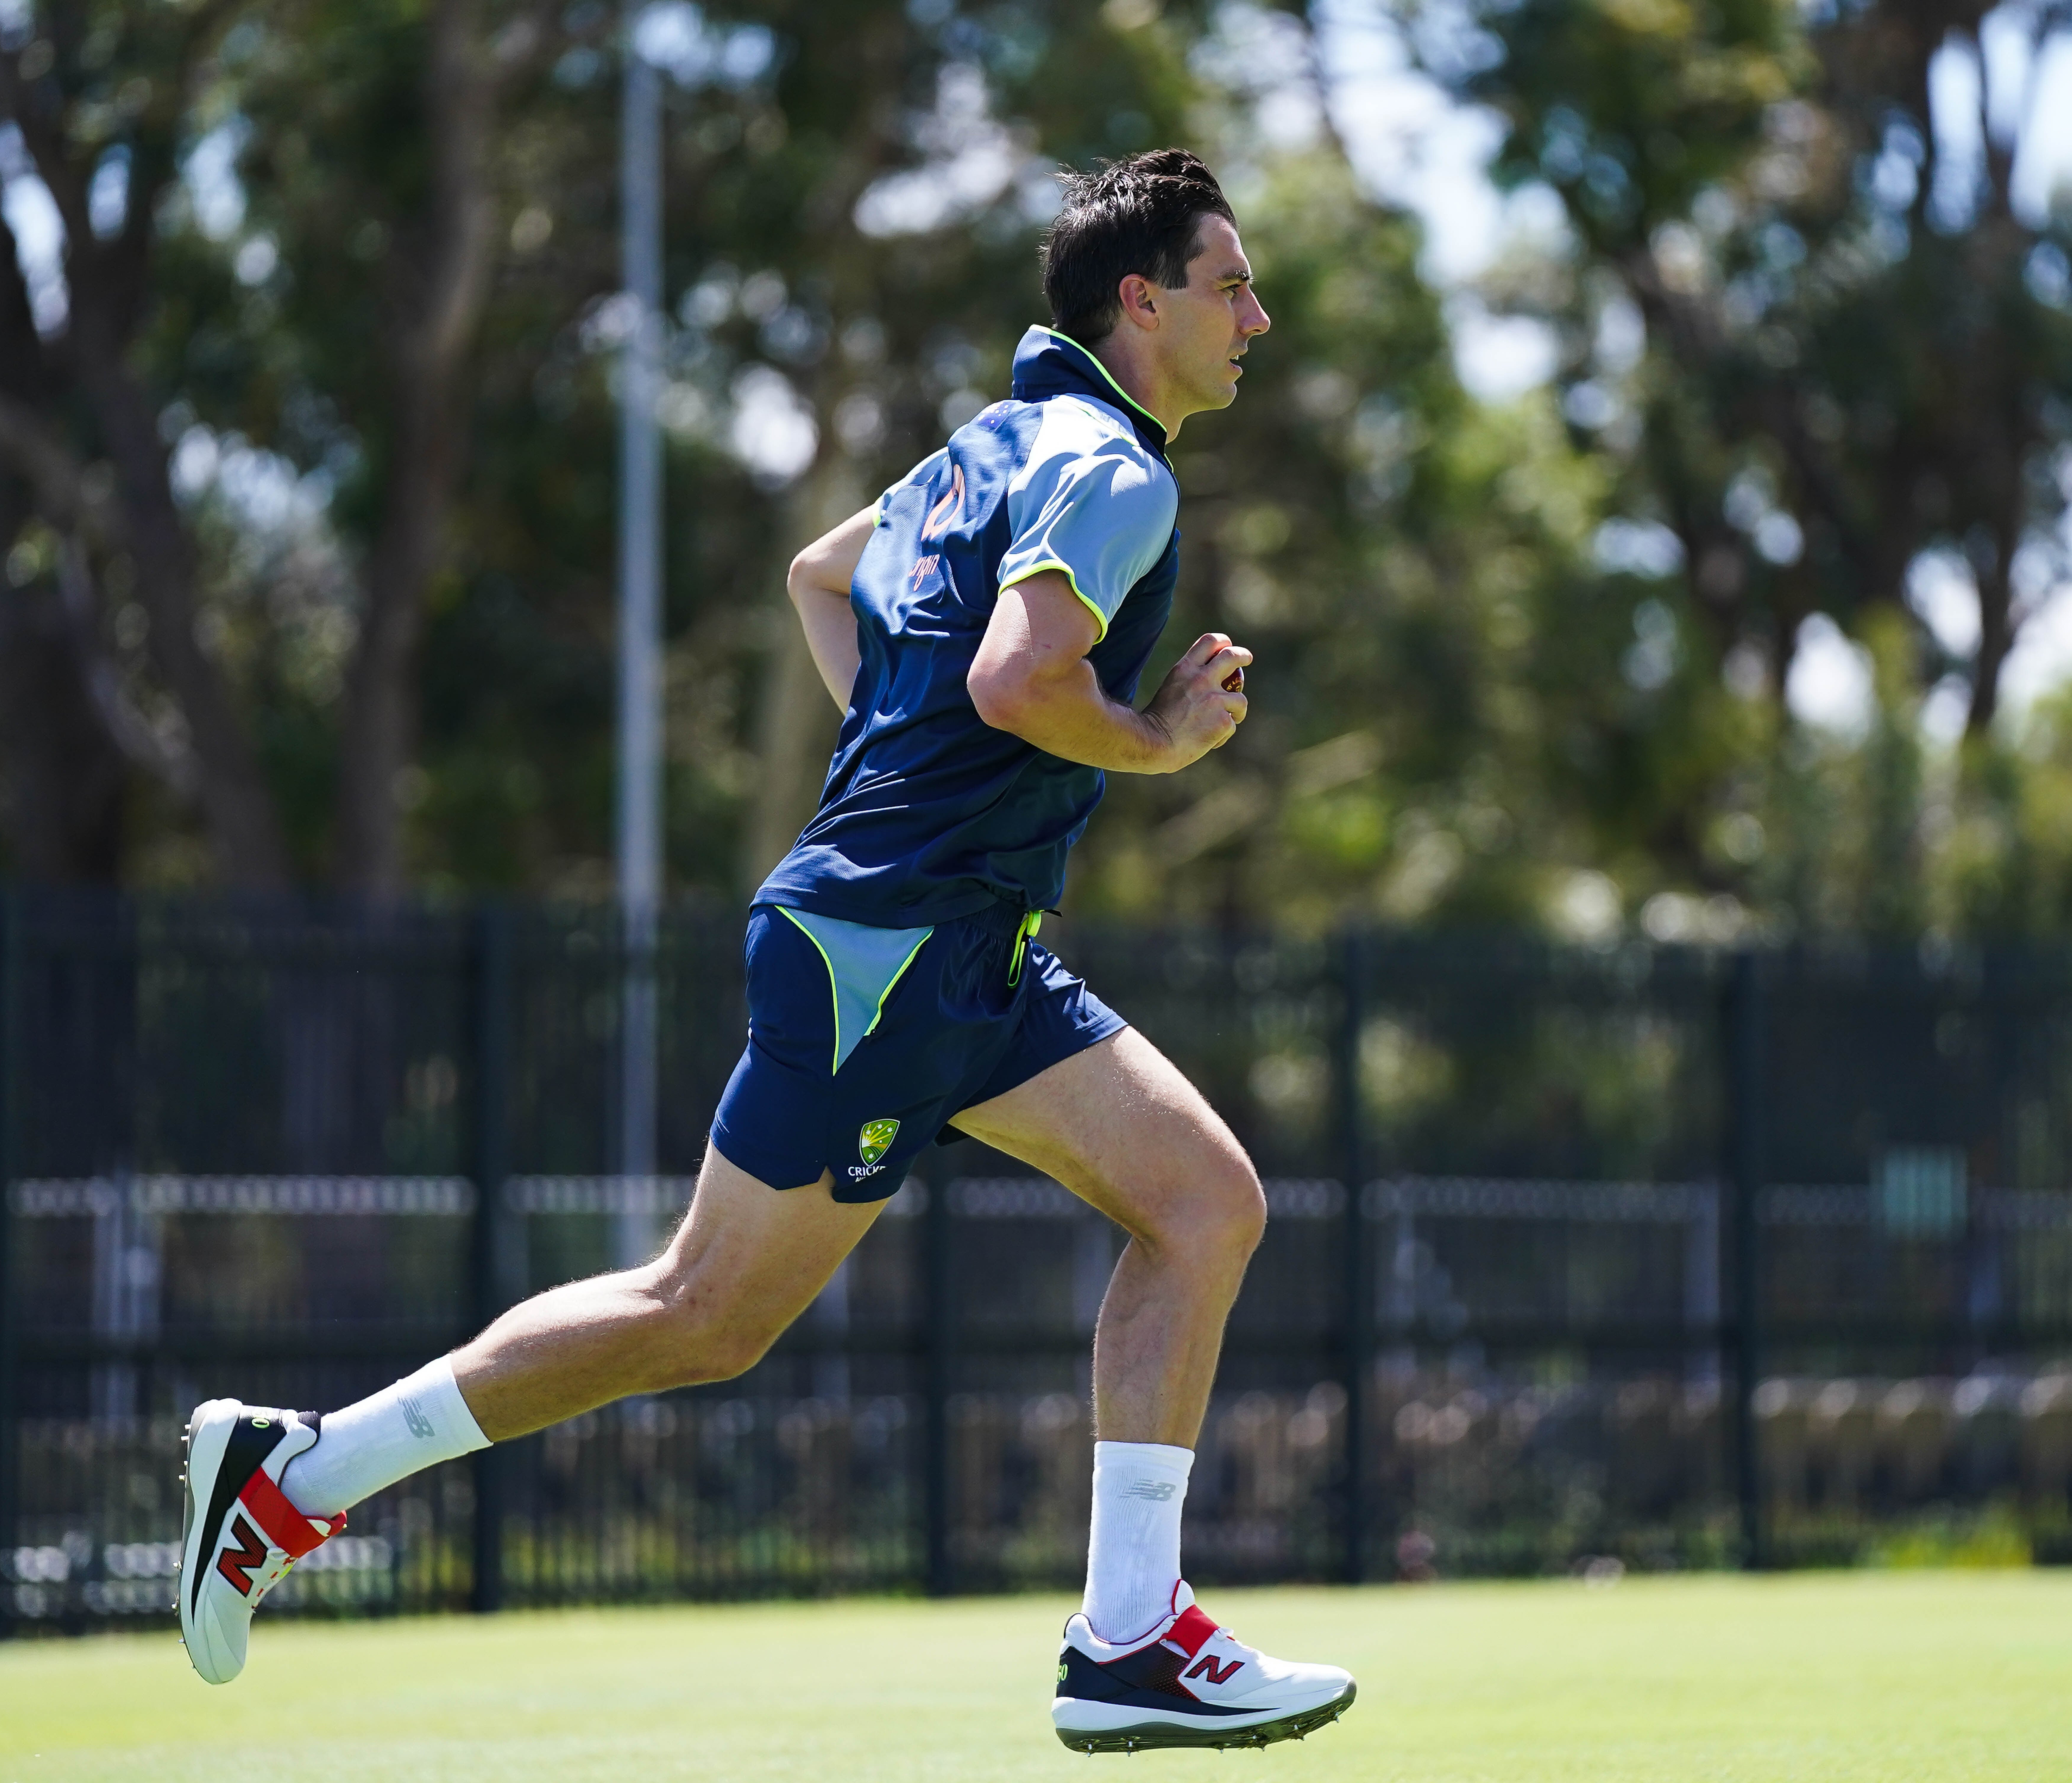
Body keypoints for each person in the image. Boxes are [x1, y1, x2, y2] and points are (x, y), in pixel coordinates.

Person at [175, 148, 1356, 1753]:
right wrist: (1156, 741)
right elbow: (1020, 682)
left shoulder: (988, 445)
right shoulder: (1118, 467)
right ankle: (293, 1476)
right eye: (1229, 285)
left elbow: (823, 578)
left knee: (1204, 1201)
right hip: (893, 941)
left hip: (955, 943)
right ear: (1140, 303)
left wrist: (896, 759)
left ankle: (1129, 1635)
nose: (1256, 317)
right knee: (703, 1316)